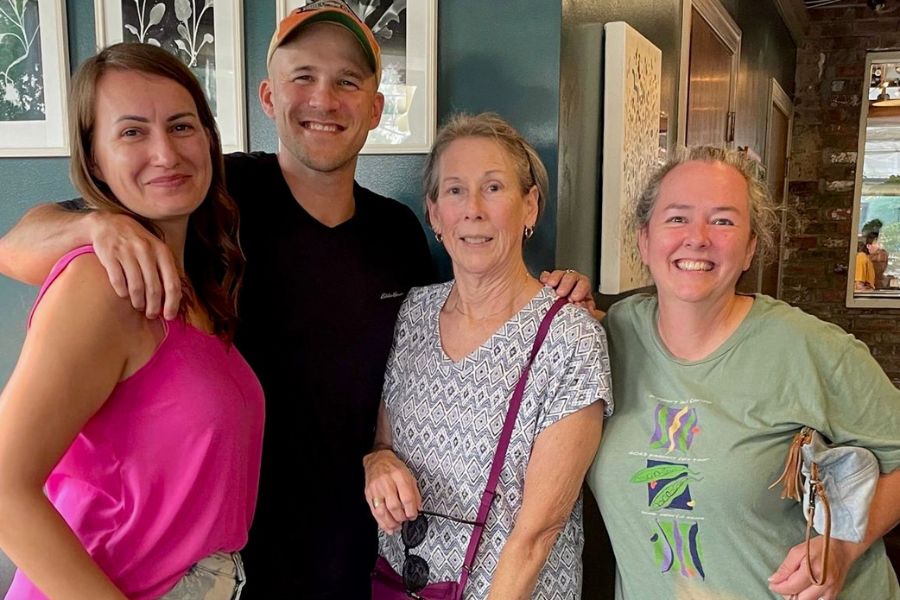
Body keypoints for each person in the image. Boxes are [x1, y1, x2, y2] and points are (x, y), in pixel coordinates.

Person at [0, 3, 592, 597]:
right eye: (302, 77)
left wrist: (553, 304)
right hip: (224, 555)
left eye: (347, 82)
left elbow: (454, 330)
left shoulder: (398, 233)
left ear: (375, 108)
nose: (323, 99)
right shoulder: (208, 195)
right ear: (268, 97)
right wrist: (93, 227)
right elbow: (16, 248)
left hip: (361, 547)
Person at [0, 44, 263, 600]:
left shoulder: (192, 288)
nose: (165, 153)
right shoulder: (98, 285)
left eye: (181, 126)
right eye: (132, 132)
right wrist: (92, 226)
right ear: (94, 161)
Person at [589, 146, 900, 599]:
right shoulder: (609, 337)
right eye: (677, 218)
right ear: (644, 239)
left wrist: (844, 547)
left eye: (723, 221)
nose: (697, 237)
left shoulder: (813, 350)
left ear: (752, 247)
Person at [363, 113, 613, 598]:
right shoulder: (413, 312)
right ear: (434, 213)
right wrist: (377, 463)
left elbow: (537, 535)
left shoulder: (571, 339)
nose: (473, 209)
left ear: (530, 207)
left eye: (494, 188)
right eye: (455, 191)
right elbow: (384, 441)